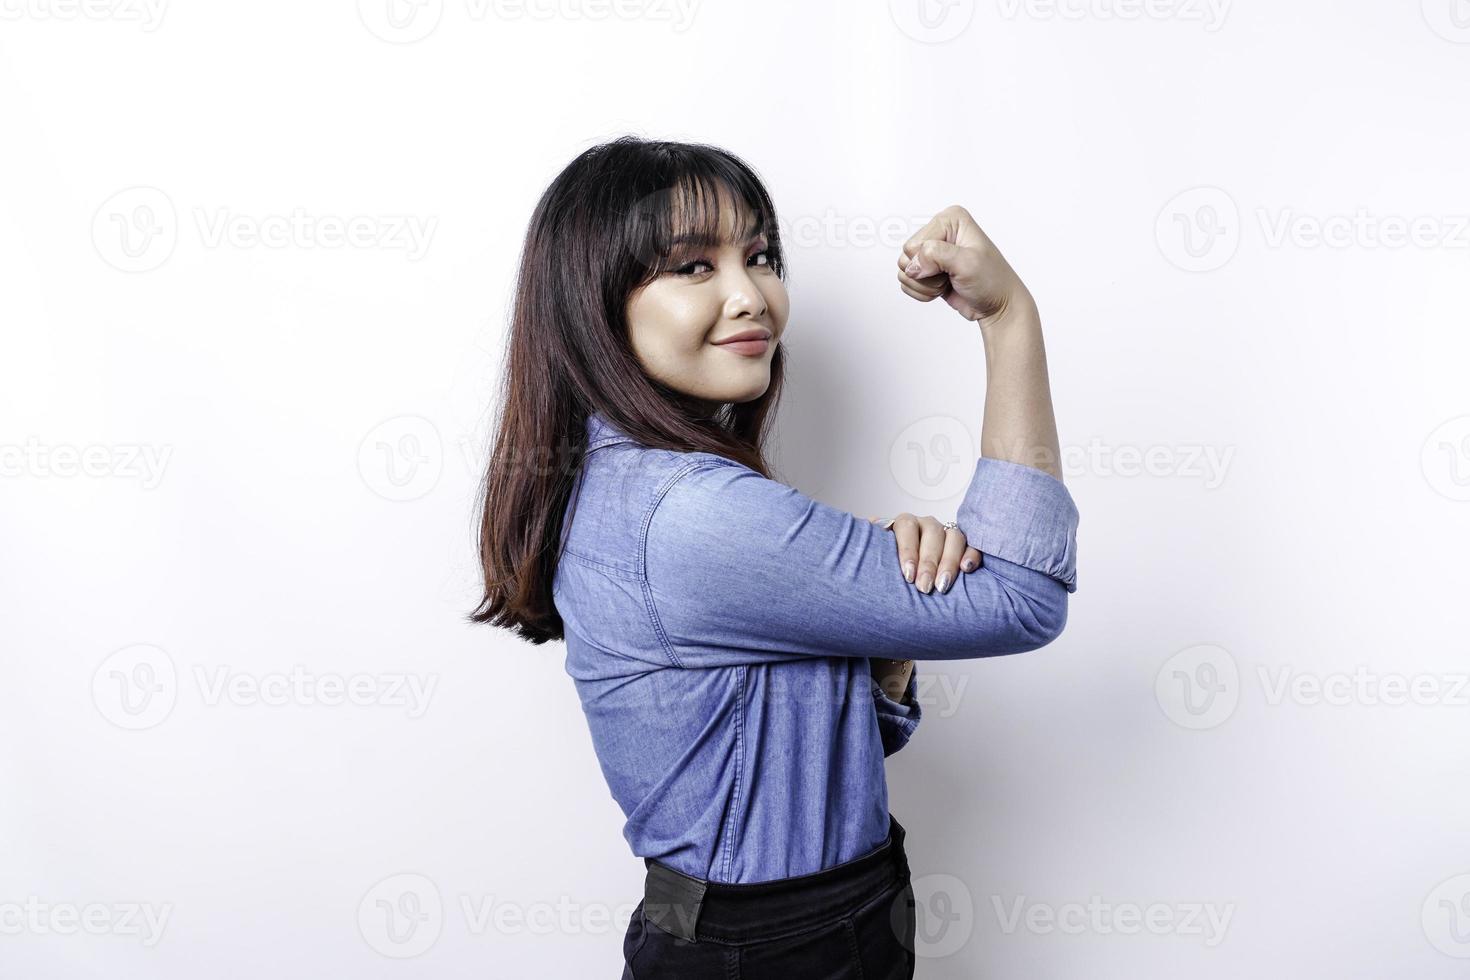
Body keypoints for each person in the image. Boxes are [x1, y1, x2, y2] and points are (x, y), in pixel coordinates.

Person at [470, 135, 1079, 978]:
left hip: (809, 921)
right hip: (772, 948)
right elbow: (1022, 599)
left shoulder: (642, 487)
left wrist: (887, 652)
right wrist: (1010, 319)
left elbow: (774, 766)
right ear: (592, 302)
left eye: (759, 256)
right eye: (693, 267)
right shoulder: (691, 514)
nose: (750, 294)